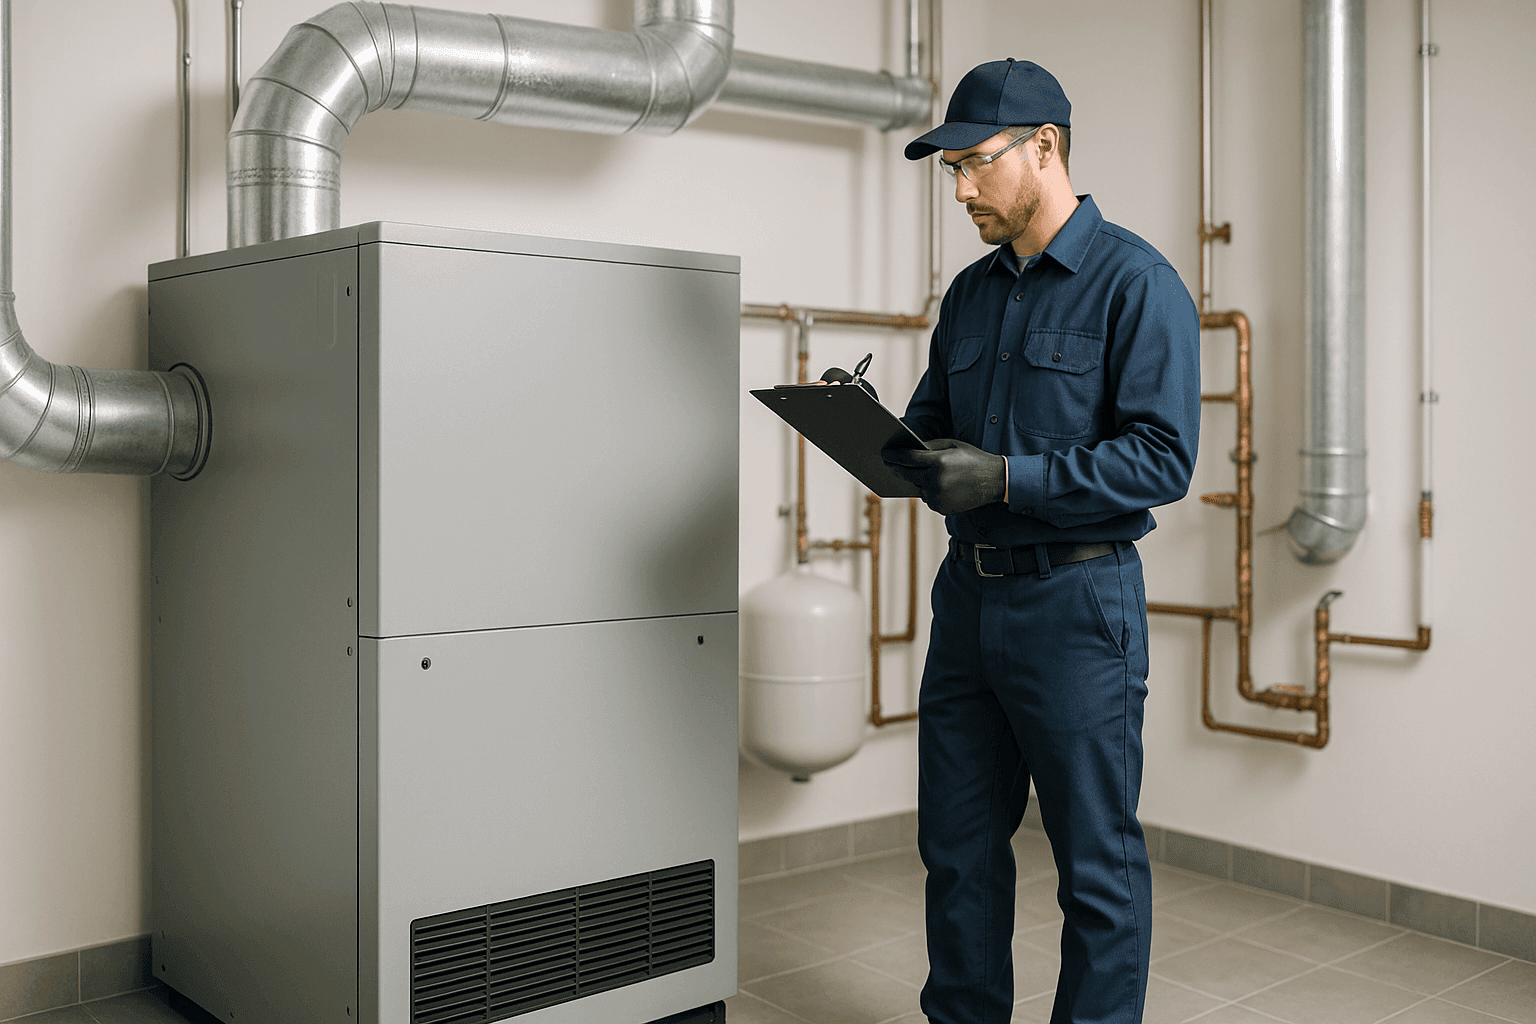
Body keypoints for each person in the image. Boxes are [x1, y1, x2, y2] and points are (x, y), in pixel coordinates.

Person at [882, 59, 1200, 1024]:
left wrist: (1010, 477)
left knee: (1096, 865)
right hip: (969, 600)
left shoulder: (1137, 284)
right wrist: (886, 441)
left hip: (1077, 605)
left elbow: (1161, 462)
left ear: (1046, 147)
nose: (963, 188)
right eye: (951, 171)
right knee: (959, 848)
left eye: (975, 163)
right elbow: (931, 421)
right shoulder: (973, 295)